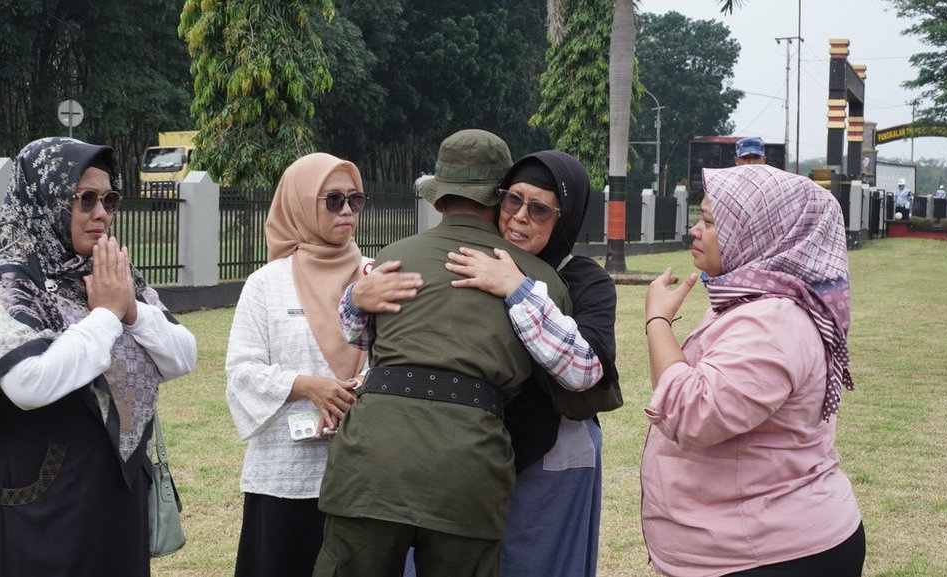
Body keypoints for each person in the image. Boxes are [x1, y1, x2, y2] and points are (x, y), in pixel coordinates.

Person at [350, 151, 623, 577]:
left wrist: (517, 288)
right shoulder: (465, 259)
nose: (520, 217)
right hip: (464, 452)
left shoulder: (585, 280)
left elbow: (585, 369)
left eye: (539, 209)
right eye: (513, 199)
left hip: (551, 456)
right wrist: (356, 298)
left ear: (565, 218)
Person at [313, 129, 571, 577]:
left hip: (372, 460)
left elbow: (359, 339)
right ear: (501, 199)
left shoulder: (390, 259)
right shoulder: (536, 279)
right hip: (469, 466)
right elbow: (574, 375)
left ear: (437, 200)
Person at [0, 137, 198, 577]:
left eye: (109, 199)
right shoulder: (9, 278)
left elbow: (183, 356)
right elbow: (29, 383)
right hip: (35, 496)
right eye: (85, 199)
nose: (101, 213)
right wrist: (107, 316)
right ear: (45, 199)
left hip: (111, 484)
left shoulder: (111, 271)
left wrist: (133, 311)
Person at [641, 164, 864, 577]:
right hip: (753, 545)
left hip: (769, 553)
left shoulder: (773, 321)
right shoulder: (755, 302)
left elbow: (692, 413)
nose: (694, 230)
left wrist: (657, 321)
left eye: (710, 222)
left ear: (761, 231)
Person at [225, 153, 369, 577]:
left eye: (355, 200)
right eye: (333, 200)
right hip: (284, 474)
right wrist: (309, 386)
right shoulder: (267, 283)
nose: (347, 211)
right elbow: (242, 371)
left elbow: (392, 357)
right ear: (301, 204)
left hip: (360, 466)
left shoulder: (373, 276)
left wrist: (355, 390)